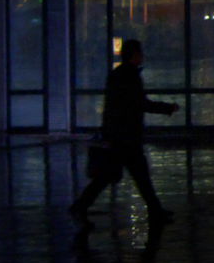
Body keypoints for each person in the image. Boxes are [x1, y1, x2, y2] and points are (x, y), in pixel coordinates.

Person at [70, 39, 178, 228]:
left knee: (113, 177)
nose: (142, 57)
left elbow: (113, 107)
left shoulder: (118, 75)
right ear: (134, 55)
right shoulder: (130, 76)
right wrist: (167, 108)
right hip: (127, 137)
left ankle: (81, 206)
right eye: (140, 53)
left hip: (119, 136)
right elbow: (140, 103)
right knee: (138, 176)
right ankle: (155, 211)